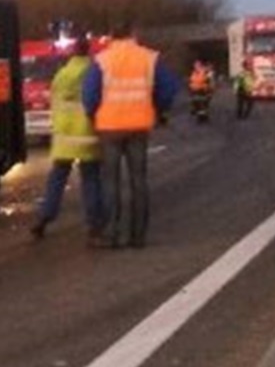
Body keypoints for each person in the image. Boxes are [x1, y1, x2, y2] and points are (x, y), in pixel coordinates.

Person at [82, 20, 180, 249]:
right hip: (139, 125)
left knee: (111, 181)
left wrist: (93, 115)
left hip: (109, 127)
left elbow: (89, 95)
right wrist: (158, 108)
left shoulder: (103, 60)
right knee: (138, 180)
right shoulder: (148, 57)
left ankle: (112, 233)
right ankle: (138, 235)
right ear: (133, 34)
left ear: (111, 36)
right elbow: (169, 88)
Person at [29, 36, 104, 242]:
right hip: (87, 135)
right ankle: (95, 227)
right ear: (88, 52)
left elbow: (54, 101)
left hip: (64, 137)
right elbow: (98, 102)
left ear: (72, 53)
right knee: (91, 181)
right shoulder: (94, 73)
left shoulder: (61, 75)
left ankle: (43, 219)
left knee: (56, 180)